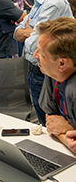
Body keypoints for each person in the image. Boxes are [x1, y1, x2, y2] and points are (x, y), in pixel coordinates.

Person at [14, 0, 73, 126]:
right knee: (46, 123)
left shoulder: (52, 4)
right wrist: (28, 31)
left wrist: (26, 32)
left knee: (49, 125)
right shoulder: (42, 1)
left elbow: (33, 46)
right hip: (39, 71)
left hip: (47, 73)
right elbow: (18, 32)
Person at [34, 17, 76, 151]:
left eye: (41, 53)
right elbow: (51, 120)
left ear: (62, 63)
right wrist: (65, 135)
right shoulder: (53, 74)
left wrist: (66, 128)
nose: (35, 55)